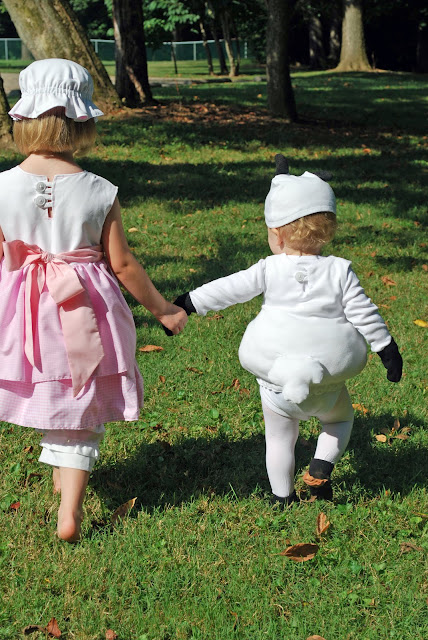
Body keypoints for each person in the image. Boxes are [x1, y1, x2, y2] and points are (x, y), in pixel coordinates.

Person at [0, 59, 187, 542]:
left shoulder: (1, 187)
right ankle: (70, 513)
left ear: (23, 119)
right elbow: (122, 265)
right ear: (82, 122)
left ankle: (64, 482)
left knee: (51, 390)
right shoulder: (99, 191)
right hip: (85, 311)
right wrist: (163, 309)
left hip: (25, 315)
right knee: (79, 401)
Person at [172, 155, 402, 506]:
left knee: (279, 439)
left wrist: (189, 302)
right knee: (340, 421)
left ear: (277, 234)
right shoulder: (339, 271)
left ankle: (282, 497)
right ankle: (322, 465)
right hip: (327, 380)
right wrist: (386, 348)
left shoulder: (268, 269)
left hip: (276, 381)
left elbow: (228, 288)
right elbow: (364, 313)